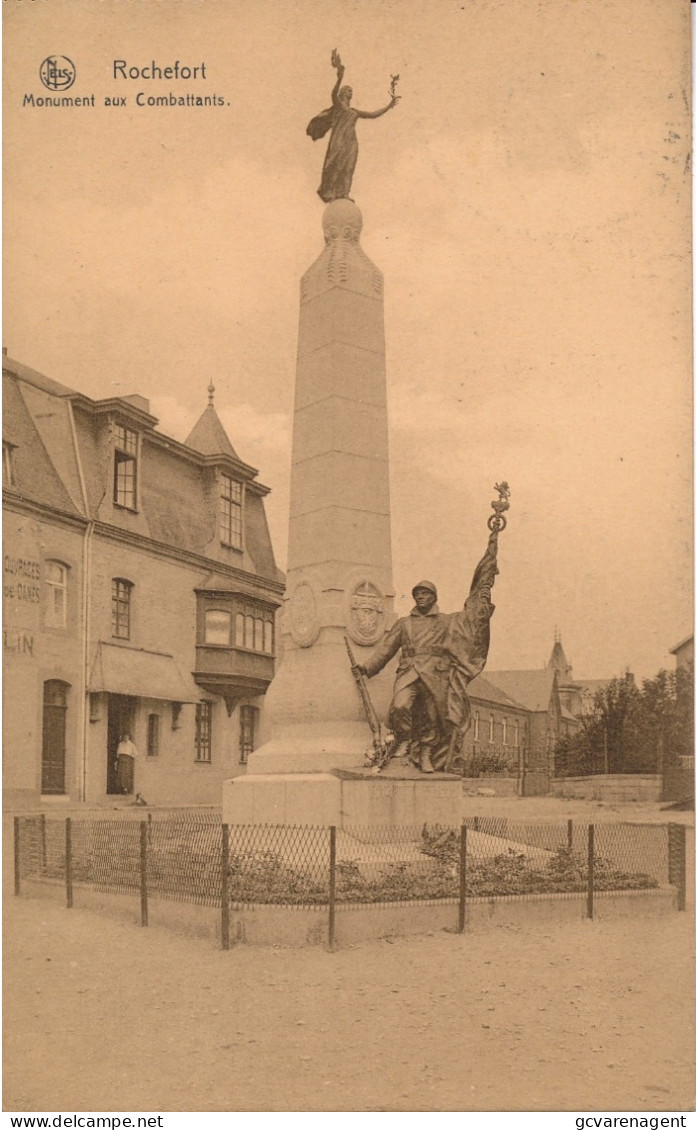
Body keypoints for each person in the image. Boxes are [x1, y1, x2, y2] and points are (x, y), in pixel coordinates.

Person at [353, 530, 501, 773]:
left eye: (425, 594)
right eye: (417, 594)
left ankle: (425, 753)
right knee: (400, 706)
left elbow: (471, 619)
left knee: (434, 716)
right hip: (409, 672)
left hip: (435, 676)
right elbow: (386, 649)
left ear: (434, 597)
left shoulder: (445, 622)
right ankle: (406, 740)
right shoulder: (404, 623)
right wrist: (367, 667)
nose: (421, 597)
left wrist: (483, 593)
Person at [307, 50, 400, 203]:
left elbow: (373, 114)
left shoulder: (354, 112)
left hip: (351, 143)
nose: (351, 91)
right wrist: (339, 78)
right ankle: (332, 192)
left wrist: (389, 106)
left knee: (349, 168)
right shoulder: (338, 106)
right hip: (339, 141)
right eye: (349, 89)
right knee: (335, 165)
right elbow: (333, 94)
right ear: (343, 93)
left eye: (352, 90)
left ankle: (344, 194)